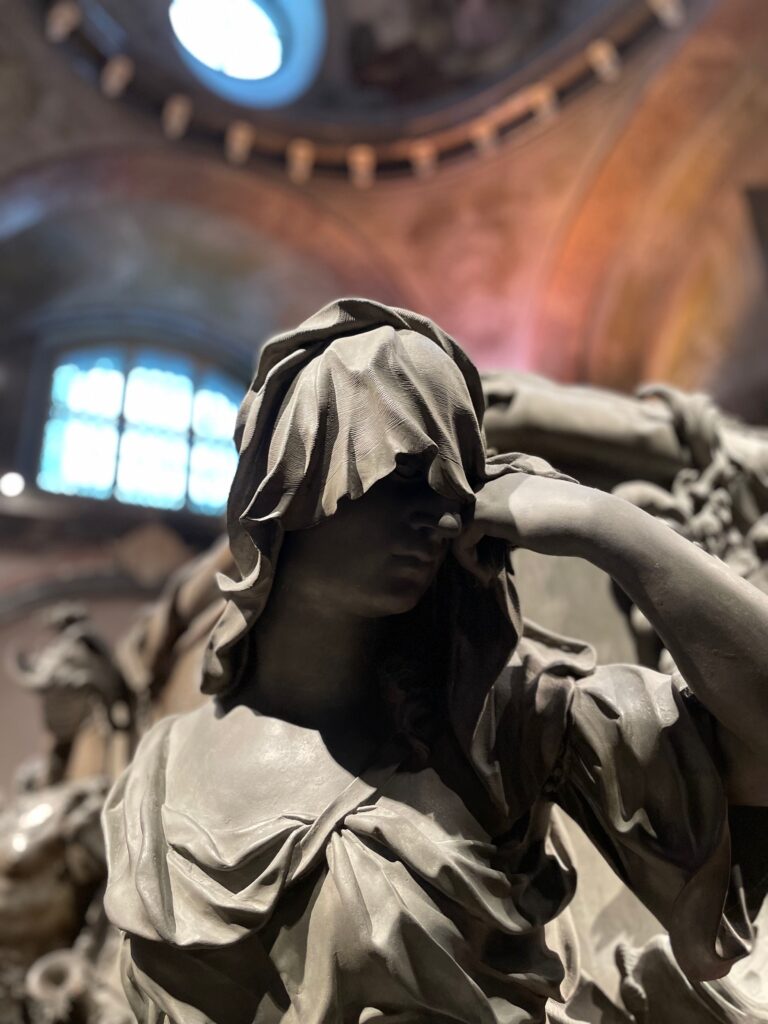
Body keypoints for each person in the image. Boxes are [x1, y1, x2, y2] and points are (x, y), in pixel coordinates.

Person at [102, 299, 768, 1024]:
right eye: (404, 476)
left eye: (454, 487)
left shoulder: (498, 723)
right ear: (292, 480)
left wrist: (605, 527)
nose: (445, 517)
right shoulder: (163, 772)